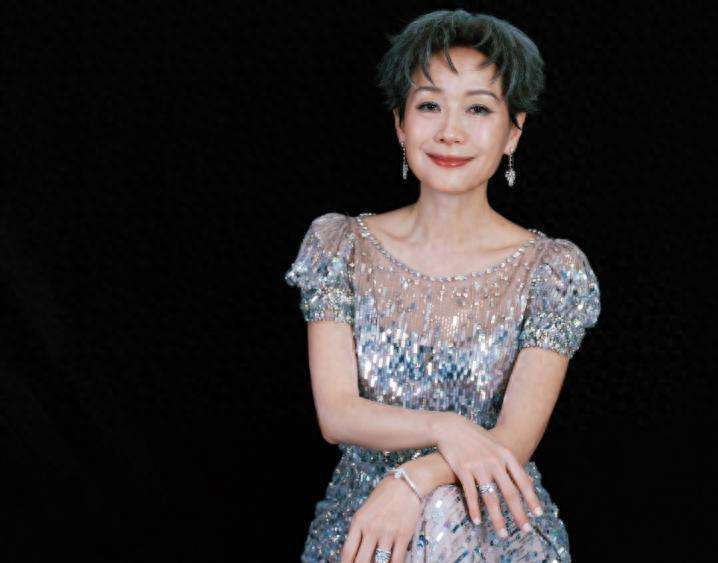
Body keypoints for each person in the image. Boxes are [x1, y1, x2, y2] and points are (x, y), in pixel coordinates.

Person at [284, 9, 601, 562]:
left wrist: (414, 481)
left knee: (442, 509)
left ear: (514, 131)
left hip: (491, 525)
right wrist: (445, 427)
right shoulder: (341, 246)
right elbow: (337, 414)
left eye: (478, 108)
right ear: (400, 125)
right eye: (429, 105)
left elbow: (514, 439)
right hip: (364, 528)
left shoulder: (552, 270)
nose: (450, 131)